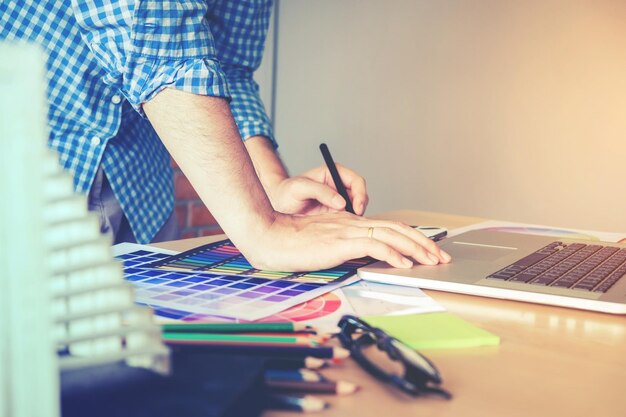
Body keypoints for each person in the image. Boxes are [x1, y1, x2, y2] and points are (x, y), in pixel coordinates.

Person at [0, 1, 450, 272]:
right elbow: (158, 41)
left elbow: (228, 66)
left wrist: (270, 188)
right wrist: (263, 229)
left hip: (139, 191)